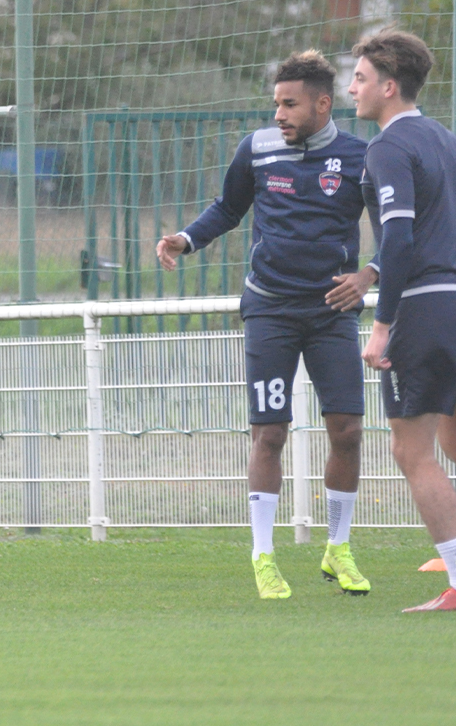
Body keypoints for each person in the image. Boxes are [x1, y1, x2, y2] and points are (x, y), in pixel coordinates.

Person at [156, 52, 375, 599]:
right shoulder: (256, 149)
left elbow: (395, 227)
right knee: (270, 433)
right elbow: (228, 209)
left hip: (331, 314)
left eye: (289, 103)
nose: (278, 113)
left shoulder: (359, 156)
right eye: (276, 103)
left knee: (347, 431)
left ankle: (338, 549)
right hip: (270, 310)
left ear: (323, 104)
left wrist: (370, 275)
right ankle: (263, 556)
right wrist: (186, 239)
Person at [350, 29, 456, 613]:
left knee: (412, 453)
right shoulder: (447, 139)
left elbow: (399, 234)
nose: (352, 87)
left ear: (389, 86)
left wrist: (383, 325)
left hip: (424, 306)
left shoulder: (386, 147)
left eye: (360, 78)